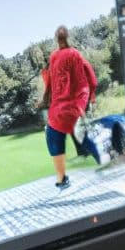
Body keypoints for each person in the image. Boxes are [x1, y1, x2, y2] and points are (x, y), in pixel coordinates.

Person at [41, 25, 96, 190]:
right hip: (68, 106)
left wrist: (89, 100)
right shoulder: (56, 60)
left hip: (75, 103)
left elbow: (91, 81)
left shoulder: (75, 58)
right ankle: (65, 175)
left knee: (58, 132)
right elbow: (51, 85)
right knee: (62, 131)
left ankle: (94, 152)